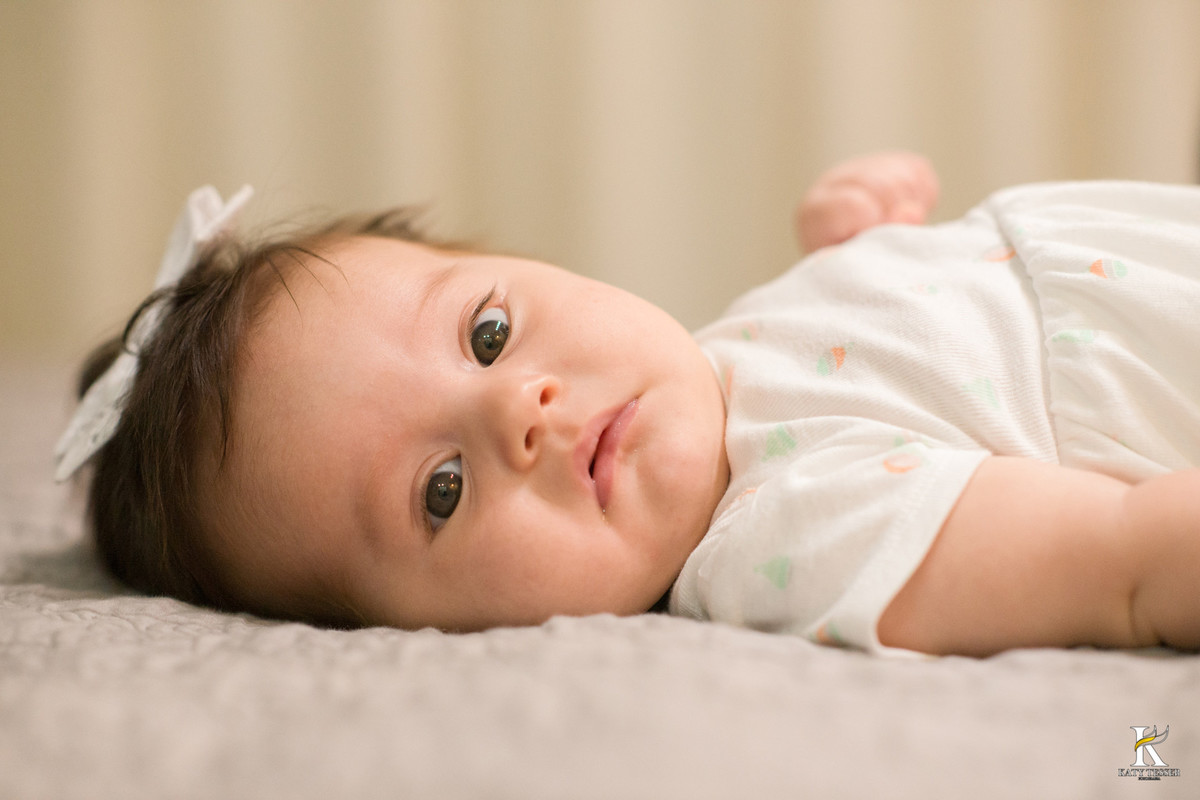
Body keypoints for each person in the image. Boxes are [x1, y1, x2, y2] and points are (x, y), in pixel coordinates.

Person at [57, 152, 1200, 657]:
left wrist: (862, 247)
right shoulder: (793, 535)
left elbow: (883, 366)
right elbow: (1125, 559)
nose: (522, 409)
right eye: (441, 492)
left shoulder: (722, 359)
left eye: (487, 332)